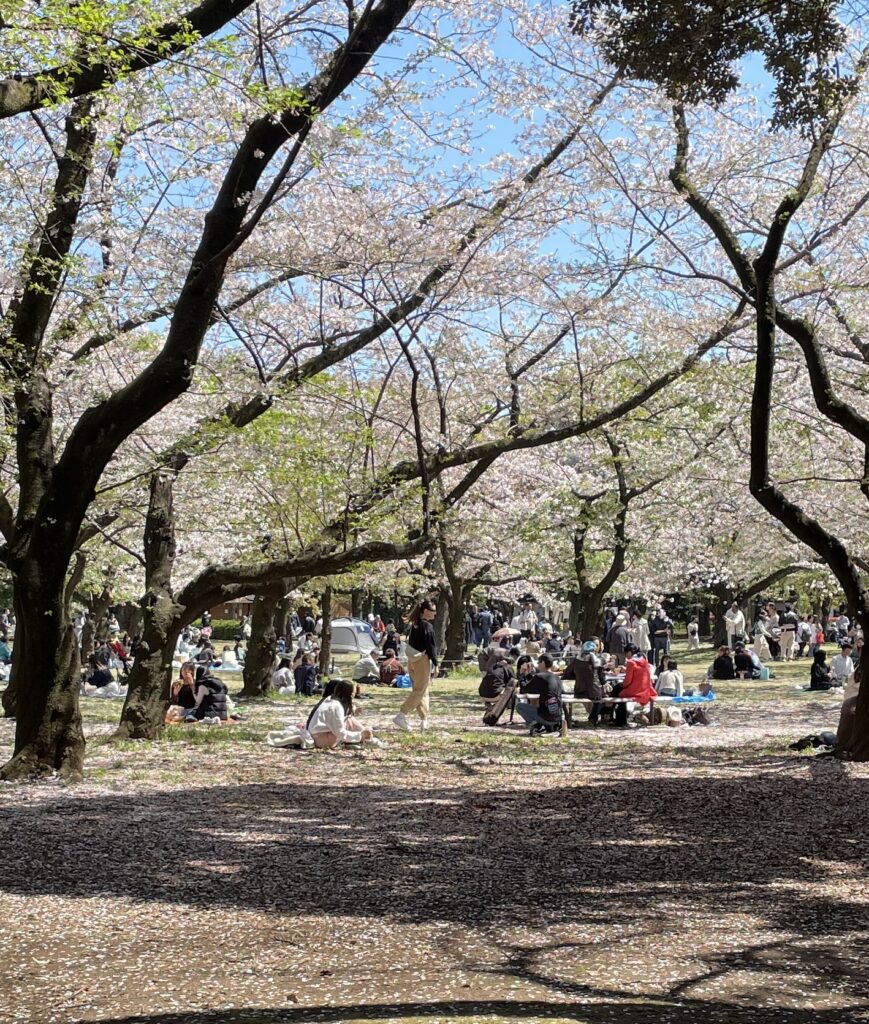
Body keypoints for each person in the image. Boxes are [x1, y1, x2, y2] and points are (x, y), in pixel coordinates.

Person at [394, 598, 437, 732]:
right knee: (420, 691)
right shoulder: (427, 626)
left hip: (412, 660)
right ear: (425, 611)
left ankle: (424, 720)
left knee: (422, 690)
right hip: (422, 661)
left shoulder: (415, 624)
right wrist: (436, 663)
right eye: (433, 611)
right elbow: (431, 646)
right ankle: (401, 715)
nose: (435, 614)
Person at [306, 679, 381, 749]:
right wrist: (360, 735)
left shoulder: (330, 699)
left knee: (349, 719)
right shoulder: (336, 706)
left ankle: (367, 736)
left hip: (317, 736)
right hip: (322, 740)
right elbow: (340, 733)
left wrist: (353, 711)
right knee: (349, 720)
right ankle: (367, 738)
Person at [562, 638, 607, 724]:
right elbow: (602, 678)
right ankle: (595, 717)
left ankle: (593, 717)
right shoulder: (599, 661)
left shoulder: (577, 660)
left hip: (579, 691)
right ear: (594, 649)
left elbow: (567, 672)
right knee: (606, 696)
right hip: (595, 692)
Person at [516, 653, 563, 735]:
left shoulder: (540, 676)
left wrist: (522, 674)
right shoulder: (556, 678)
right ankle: (549, 726)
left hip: (546, 716)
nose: (537, 665)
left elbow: (524, 689)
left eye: (538, 663)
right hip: (557, 717)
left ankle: (539, 726)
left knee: (519, 706)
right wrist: (529, 674)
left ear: (543, 663)